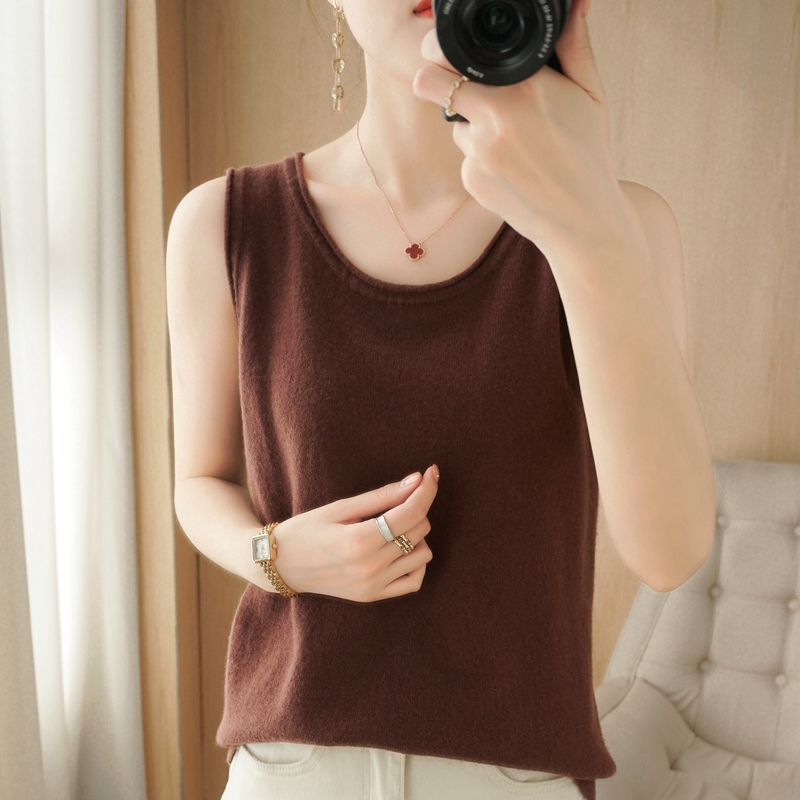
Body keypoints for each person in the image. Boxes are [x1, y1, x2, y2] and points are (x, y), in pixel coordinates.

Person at [165, 0, 716, 798]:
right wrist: (276, 557)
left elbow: (669, 552)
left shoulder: (625, 225)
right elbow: (199, 480)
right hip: (293, 766)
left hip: (515, 774)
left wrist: (589, 224)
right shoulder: (225, 223)